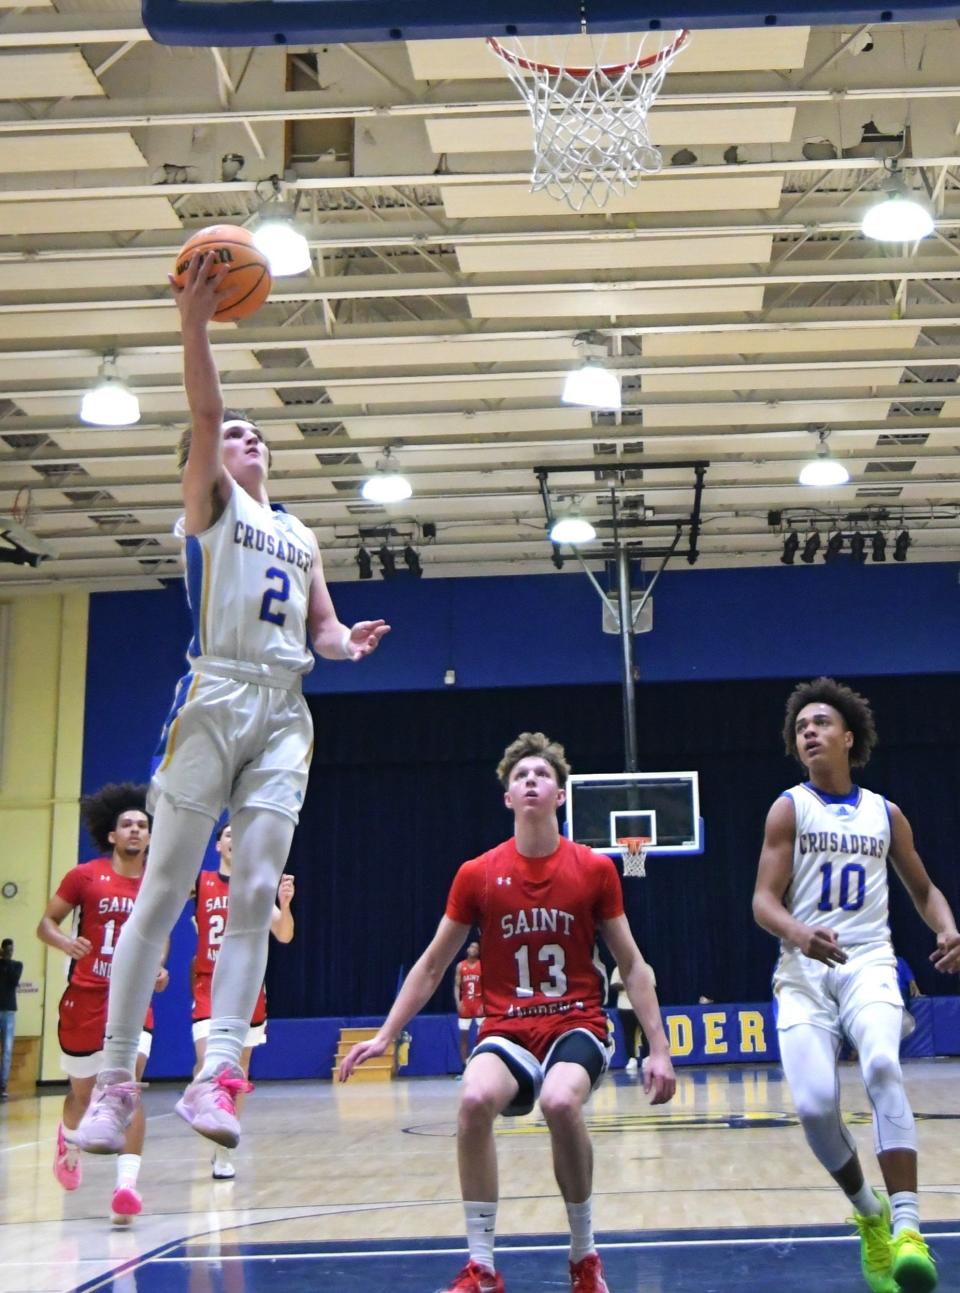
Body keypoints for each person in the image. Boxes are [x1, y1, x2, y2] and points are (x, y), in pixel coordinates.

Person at [76, 251, 389, 1158]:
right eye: (234, 432)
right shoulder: (212, 507)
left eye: (257, 432)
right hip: (214, 694)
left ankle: (218, 1073)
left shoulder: (299, 533)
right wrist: (195, 327)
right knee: (164, 890)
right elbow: (207, 412)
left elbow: (322, 631)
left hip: (286, 708)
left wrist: (345, 643)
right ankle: (115, 1080)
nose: (246, 436)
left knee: (254, 887)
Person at [341, 732, 676, 1293]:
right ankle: (482, 1266)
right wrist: (385, 1035)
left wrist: (659, 1050)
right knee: (472, 1099)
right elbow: (429, 967)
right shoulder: (477, 874)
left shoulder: (594, 870)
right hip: (507, 1028)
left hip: (576, 1022)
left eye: (541, 775)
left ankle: (584, 1255)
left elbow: (635, 966)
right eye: (519, 776)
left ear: (561, 795)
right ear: (506, 797)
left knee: (560, 1101)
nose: (529, 782)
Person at [752, 677, 960, 1293]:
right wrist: (797, 931)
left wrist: (948, 927)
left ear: (848, 736)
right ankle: (869, 1214)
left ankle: (908, 1228)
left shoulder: (884, 813)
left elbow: (922, 889)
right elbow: (762, 901)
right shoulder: (788, 807)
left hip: (868, 959)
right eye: (800, 728)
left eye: (819, 723)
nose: (808, 732)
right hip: (802, 970)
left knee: (881, 1066)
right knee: (815, 1106)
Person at [36, 784, 168, 1224]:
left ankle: (126, 1187)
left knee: (126, 1087)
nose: (135, 830)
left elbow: (161, 935)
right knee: (83, 1094)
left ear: (151, 836)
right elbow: (46, 922)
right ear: (111, 834)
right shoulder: (84, 876)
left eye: (142, 825)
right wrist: (64, 941)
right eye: (127, 824)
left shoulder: (158, 881)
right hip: (86, 997)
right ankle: (68, 1139)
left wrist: (158, 967)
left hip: (131, 999)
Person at [192, 821, 294, 1179]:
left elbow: (283, 934)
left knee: (239, 1072)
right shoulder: (201, 883)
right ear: (218, 844)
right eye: (229, 834)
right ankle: (204, 1102)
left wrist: (284, 903)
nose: (235, 839)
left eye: (241, 834)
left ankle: (224, 1146)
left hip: (249, 989)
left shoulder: (256, 887)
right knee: (209, 1062)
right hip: (209, 984)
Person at [609, 964, 650, 1074]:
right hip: (624, 1006)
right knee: (628, 1034)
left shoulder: (646, 968)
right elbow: (613, 985)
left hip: (642, 1006)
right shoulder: (618, 968)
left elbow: (652, 985)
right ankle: (632, 1059)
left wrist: (639, 985)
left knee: (646, 1033)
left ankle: (646, 1057)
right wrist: (628, 984)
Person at [454, 940, 484, 1070]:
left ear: (478, 952)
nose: (472, 949)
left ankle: (480, 1064)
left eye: (476, 947)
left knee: (482, 1037)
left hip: (479, 1003)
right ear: (467, 950)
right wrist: (458, 1002)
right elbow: (456, 986)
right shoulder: (461, 966)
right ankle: (464, 1065)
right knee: (463, 1037)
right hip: (466, 1003)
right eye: (471, 946)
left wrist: (485, 1003)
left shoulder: (482, 965)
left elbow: (488, 986)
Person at [0, 938, 23, 1100]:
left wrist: (6, 962)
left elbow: (14, 981)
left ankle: (2, 1086)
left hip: (9, 1012)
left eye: (11, 949)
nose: (10, 952)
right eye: (7, 949)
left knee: (7, 1050)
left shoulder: (17, 965)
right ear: (2, 950)